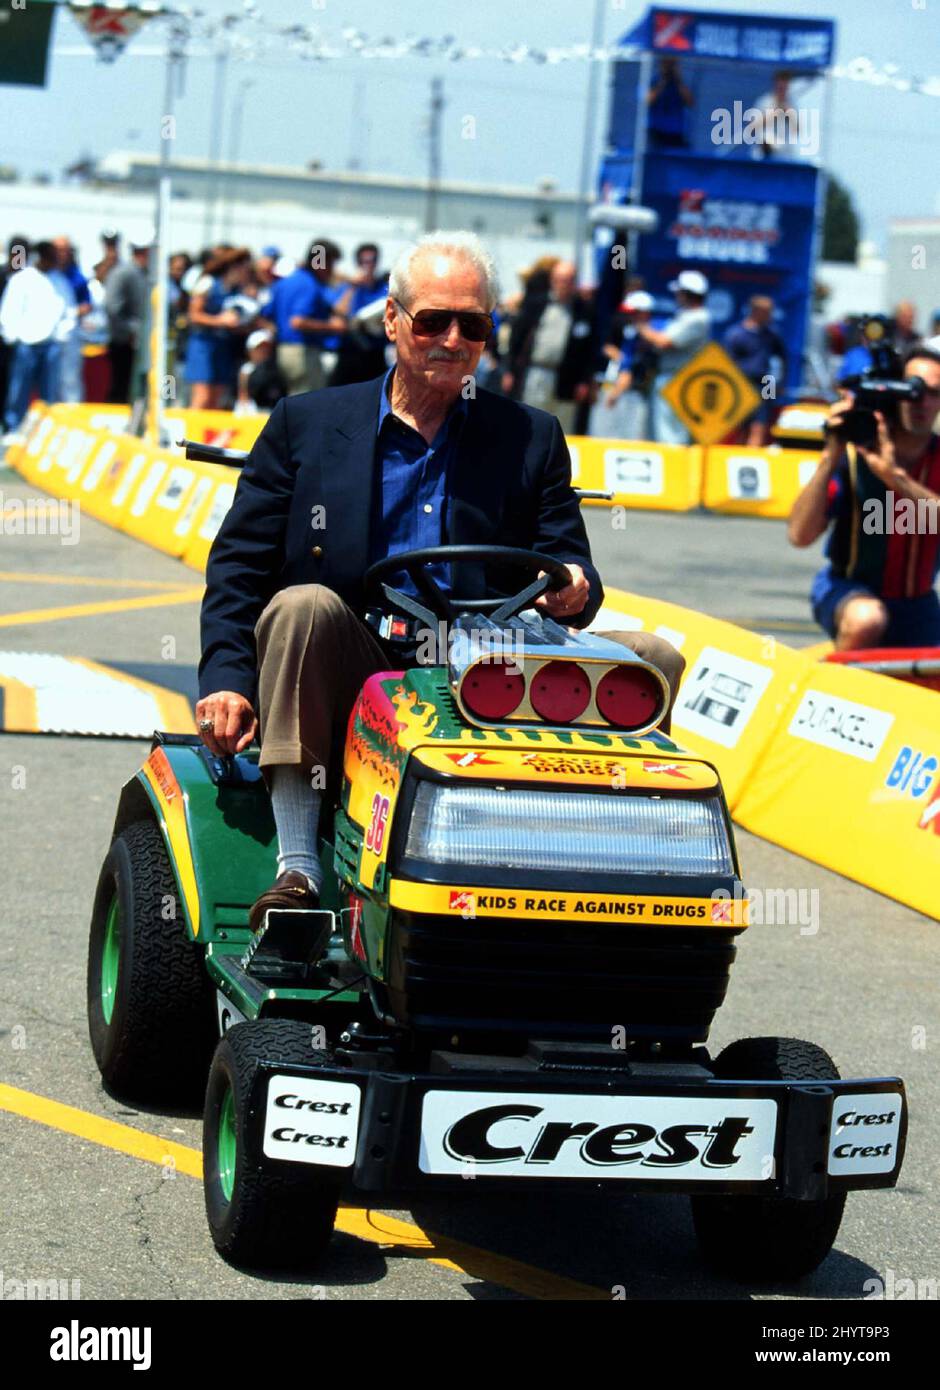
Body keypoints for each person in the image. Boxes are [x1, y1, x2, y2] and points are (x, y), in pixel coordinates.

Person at [195, 231, 685, 928]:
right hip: (360, 659)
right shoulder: (306, 423)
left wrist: (575, 584)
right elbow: (239, 565)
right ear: (393, 318)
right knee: (302, 606)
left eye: (473, 325)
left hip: (491, 657)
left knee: (654, 660)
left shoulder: (531, 435)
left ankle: (614, 874)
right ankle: (300, 866)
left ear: (490, 334)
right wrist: (226, 677)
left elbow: (570, 563)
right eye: (432, 321)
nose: (450, 340)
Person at [788, 345, 940, 649]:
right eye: (911, 390)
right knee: (867, 619)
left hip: (917, 603)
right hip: (848, 591)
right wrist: (829, 456)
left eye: (933, 393)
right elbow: (799, 535)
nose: (920, 401)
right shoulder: (855, 454)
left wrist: (894, 478)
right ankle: (836, 694)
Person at [503, 259, 595, 434]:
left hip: (567, 377)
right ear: (553, 280)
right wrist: (510, 370)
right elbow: (516, 339)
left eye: (569, 280)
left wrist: (584, 381)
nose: (564, 285)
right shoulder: (536, 304)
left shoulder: (583, 310)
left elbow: (589, 350)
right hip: (536, 372)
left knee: (562, 427)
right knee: (530, 422)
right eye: (561, 279)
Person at [1, 240, 73, 437]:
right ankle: (13, 426)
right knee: (18, 389)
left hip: (51, 345)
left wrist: (60, 336)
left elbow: (69, 312)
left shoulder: (60, 281)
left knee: (49, 392)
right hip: (26, 344)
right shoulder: (22, 279)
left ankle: (45, 431)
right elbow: (9, 310)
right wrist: (13, 336)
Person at [265, 239, 347, 395]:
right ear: (321, 262)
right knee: (307, 401)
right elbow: (297, 321)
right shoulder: (309, 284)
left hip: (283, 350)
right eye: (330, 264)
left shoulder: (286, 282)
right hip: (302, 352)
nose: (332, 270)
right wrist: (332, 327)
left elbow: (267, 315)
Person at [638, 269, 711, 445]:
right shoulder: (686, 316)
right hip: (669, 377)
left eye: (680, 292)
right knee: (658, 431)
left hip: (678, 379)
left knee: (670, 434)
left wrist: (640, 325)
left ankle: (674, 470)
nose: (677, 296)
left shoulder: (697, 318)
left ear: (688, 294)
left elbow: (664, 342)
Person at [184, 246, 255, 409]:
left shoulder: (237, 291)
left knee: (217, 397)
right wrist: (220, 321)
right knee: (202, 396)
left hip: (223, 346)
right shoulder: (208, 283)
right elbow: (193, 315)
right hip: (203, 345)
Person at [590, 290, 664, 441]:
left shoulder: (659, 327)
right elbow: (626, 366)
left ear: (645, 313)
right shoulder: (632, 333)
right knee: (611, 436)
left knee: (637, 438)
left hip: (650, 394)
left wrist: (616, 392)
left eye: (635, 313)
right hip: (629, 392)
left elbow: (660, 342)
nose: (631, 317)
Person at [723, 295, 787, 446]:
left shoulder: (772, 335)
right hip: (742, 384)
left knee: (760, 425)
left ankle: (753, 457)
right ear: (756, 311)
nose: (770, 315)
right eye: (767, 312)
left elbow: (780, 361)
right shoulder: (736, 334)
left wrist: (777, 386)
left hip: (765, 383)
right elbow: (728, 363)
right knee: (740, 426)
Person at [328, 243, 390, 386]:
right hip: (350, 349)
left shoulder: (383, 288)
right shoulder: (347, 287)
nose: (368, 265)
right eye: (364, 261)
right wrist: (353, 286)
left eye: (372, 260)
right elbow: (339, 311)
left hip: (374, 350)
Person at [104, 236, 151, 405]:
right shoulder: (122, 273)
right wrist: (131, 331)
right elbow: (112, 307)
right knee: (121, 386)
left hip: (142, 343)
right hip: (124, 343)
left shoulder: (147, 274)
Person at [234, 328, 286, 414]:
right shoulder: (246, 369)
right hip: (250, 411)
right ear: (250, 350)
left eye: (267, 347)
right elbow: (243, 395)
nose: (264, 351)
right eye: (259, 348)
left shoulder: (276, 369)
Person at [646, 57, 693, 150]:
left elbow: (690, 102)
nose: (669, 67)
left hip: (675, 131)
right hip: (656, 130)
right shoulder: (654, 81)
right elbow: (648, 101)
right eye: (667, 64)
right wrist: (662, 82)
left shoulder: (680, 84)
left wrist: (678, 80)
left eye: (672, 65)